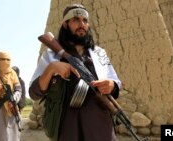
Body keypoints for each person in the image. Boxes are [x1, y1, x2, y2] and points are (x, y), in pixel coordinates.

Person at [29, 4, 121, 141]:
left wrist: (112, 85)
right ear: (65, 24)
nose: (81, 24)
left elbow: (115, 81)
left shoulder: (99, 53)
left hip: (101, 128)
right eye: (75, 20)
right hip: (67, 129)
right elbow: (34, 93)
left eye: (85, 20)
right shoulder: (51, 55)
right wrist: (51, 68)